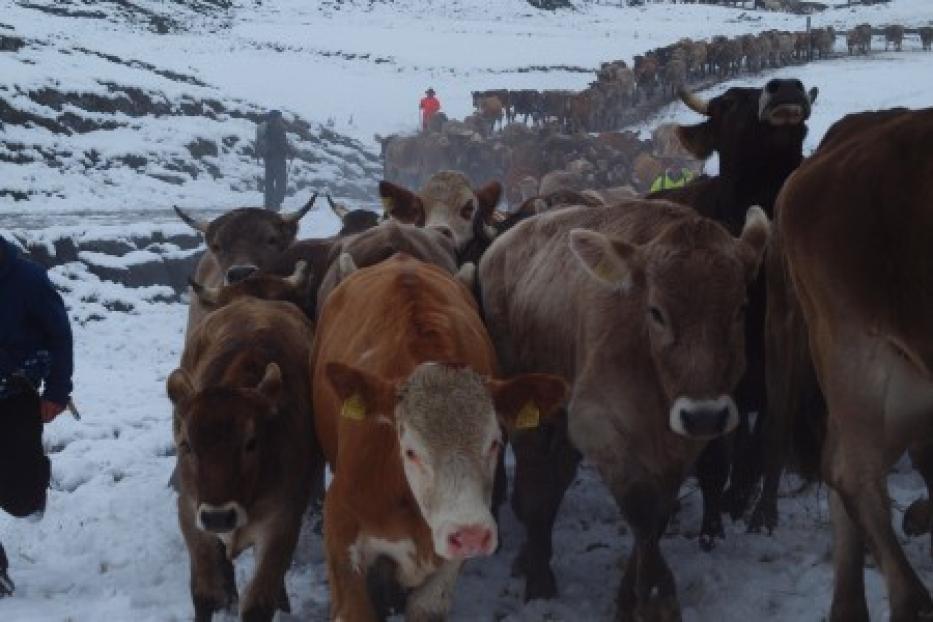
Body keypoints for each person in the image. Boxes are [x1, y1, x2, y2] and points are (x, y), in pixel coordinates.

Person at [0, 235, 74, 598]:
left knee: (20, 494)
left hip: (15, 396)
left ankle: (32, 485)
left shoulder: (27, 279)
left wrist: (58, 391)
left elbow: (59, 335)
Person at [255, 110, 293, 211]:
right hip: (278, 159)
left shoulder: (266, 128)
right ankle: (275, 205)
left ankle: (268, 204)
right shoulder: (278, 128)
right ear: (276, 117)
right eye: (280, 117)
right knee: (281, 182)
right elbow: (281, 144)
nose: (281, 119)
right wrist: (291, 151)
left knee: (269, 183)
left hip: (268, 159)